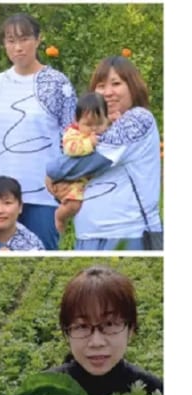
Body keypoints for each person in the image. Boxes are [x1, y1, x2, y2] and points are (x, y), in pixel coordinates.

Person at [0, 13, 77, 250]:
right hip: (1, 198)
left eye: (24, 39)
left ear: (38, 39)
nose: (18, 47)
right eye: (11, 41)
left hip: (43, 196)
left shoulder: (57, 83)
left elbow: (73, 138)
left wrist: (67, 186)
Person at [65, 57, 163, 250]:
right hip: (87, 234)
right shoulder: (97, 128)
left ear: (132, 87)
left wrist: (51, 174)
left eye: (116, 84)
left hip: (128, 233)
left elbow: (71, 166)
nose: (108, 93)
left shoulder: (137, 119)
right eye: (101, 86)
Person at [48, 265, 162, 395]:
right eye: (82, 326)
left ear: (130, 329)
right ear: (67, 333)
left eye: (109, 324)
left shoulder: (154, 392)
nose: (96, 342)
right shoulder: (43, 391)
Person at [46, 93, 112, 234]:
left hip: (88, 180)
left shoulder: (106, 132)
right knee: (74, 205)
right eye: (88, 124)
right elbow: (70, 149)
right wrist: (89, 143)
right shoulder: (73, 133)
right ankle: (60, 217)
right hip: (74, 181)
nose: (94, 128)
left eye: (99, 124)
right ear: (77, 121)